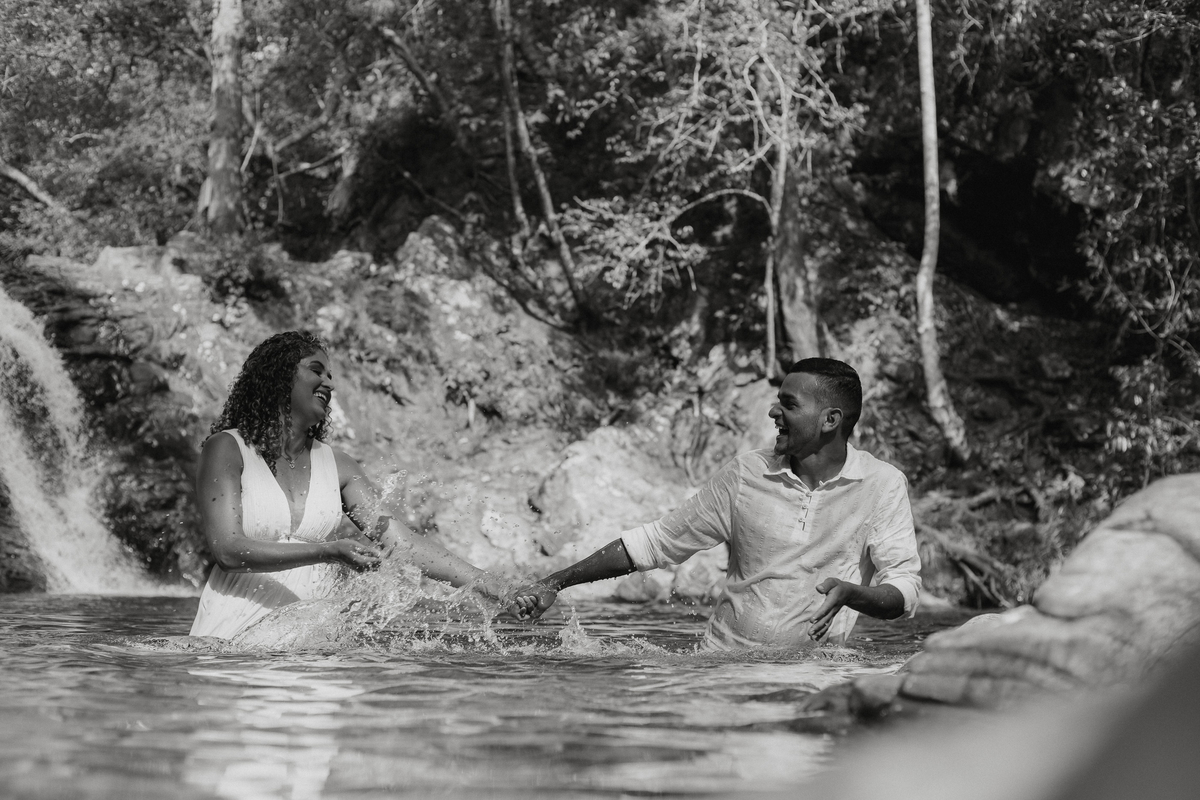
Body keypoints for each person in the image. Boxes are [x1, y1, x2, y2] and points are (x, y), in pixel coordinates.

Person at [512, 358, 921, 650]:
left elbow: (904, 590)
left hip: (816, 678)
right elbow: (655, 543)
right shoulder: (746, 474)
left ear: (830, 420)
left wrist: (853, 594)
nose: (773, 411)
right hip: (720, 670)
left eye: (789, 404)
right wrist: (555, 581)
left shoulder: (882, 485)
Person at [190, 330, 506, 639]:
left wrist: (493, 587)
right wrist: (327, 552)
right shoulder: (228, 448)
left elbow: (403, 544)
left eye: (330, 376)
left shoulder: (338, 465)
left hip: (309, 647)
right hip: (231, 640)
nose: (329, 383)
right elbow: (228, 551)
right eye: (316, 371)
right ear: (279, 377)